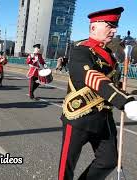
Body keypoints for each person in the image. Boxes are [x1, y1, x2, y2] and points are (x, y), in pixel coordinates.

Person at [58, 7, 137, 180]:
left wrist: (125, 90)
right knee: (67, 167)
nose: (114, 30)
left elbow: (111, 83)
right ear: (93, 27)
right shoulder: (81, 51)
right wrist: (125, 101)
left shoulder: (110, 54)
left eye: (115, 26)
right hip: (79, 116)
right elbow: (92, 77)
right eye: (110, 25)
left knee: (109, 161)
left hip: (104, 118)